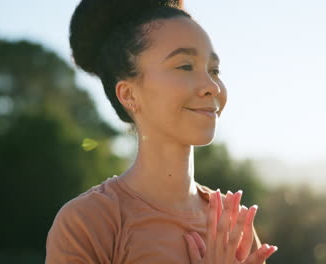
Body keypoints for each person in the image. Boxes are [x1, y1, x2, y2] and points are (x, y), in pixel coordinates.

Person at [45, 0, 278, 263]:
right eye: (185, 66)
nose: (211, 86)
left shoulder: (231, 225)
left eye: (214, 70)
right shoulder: (88, 223)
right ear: (129, 94)